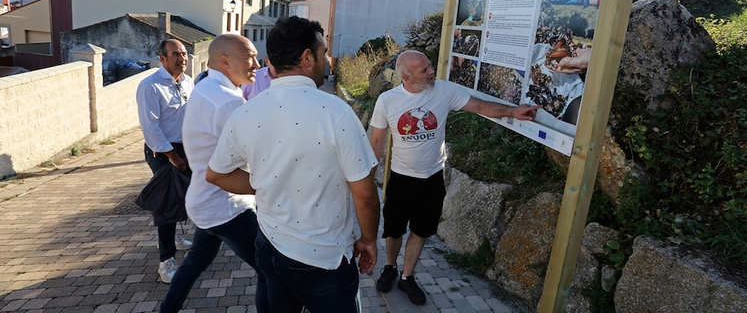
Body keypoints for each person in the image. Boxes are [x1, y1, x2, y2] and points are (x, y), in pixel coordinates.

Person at [206, 16, 380, 313]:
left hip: (270, 247)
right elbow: (363, 193)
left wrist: (265, 182)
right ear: (307, 57)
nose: (328, 61)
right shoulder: (335, 112)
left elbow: (216, 174)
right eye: (324, 52)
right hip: (322, 257)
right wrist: (368, 239)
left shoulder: (246, 112)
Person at [369, 50, 540, 305]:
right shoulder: (387, 100)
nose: (431, 72)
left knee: (422, 229)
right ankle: (391, 266)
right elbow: (376, 141)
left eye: (429, 67)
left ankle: (407, 277)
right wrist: (366, 181)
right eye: (424, 70)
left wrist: (513, 111)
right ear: (406, 77)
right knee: (393, 230)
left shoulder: (444, 91)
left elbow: (480, 106)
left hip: (433, 178)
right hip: (401, 178)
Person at [160, 34, 269, 312]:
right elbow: (257, 157)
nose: (257, 64)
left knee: (195, 262)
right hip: (226, 206)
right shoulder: (227, 101)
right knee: (271, 269)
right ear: (225, 61)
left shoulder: (207, 86)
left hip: (206, 201)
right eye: (250, 57)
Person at [136, 38, 194, 283]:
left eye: (184, 53)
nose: (182, 58)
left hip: (187, 148)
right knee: (168, 203)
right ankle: (166, 261)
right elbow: (150, 126)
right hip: (163, 152)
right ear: (162, 58)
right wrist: (172, 156)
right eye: (175, 54)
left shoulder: (189, 81)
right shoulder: (150, 85)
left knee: (184, 196)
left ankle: (176, 238)